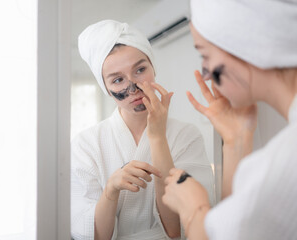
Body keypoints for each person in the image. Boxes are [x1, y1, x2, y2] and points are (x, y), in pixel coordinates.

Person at [161, 0, 297, 239]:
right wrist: (236, 140)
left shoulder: (284, 162)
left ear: (244, 46)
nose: (204, 73)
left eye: (205, 55)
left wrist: (194, 207)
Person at [71, 20, 215, 240]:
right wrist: (111, 190)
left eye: (140, 70)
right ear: (107, 89)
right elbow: (91, 235)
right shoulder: (86, 144)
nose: (133, 87)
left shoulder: (186, 136)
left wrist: (157, 138)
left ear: (152, 68)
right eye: (118, 80)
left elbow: (180, 229)